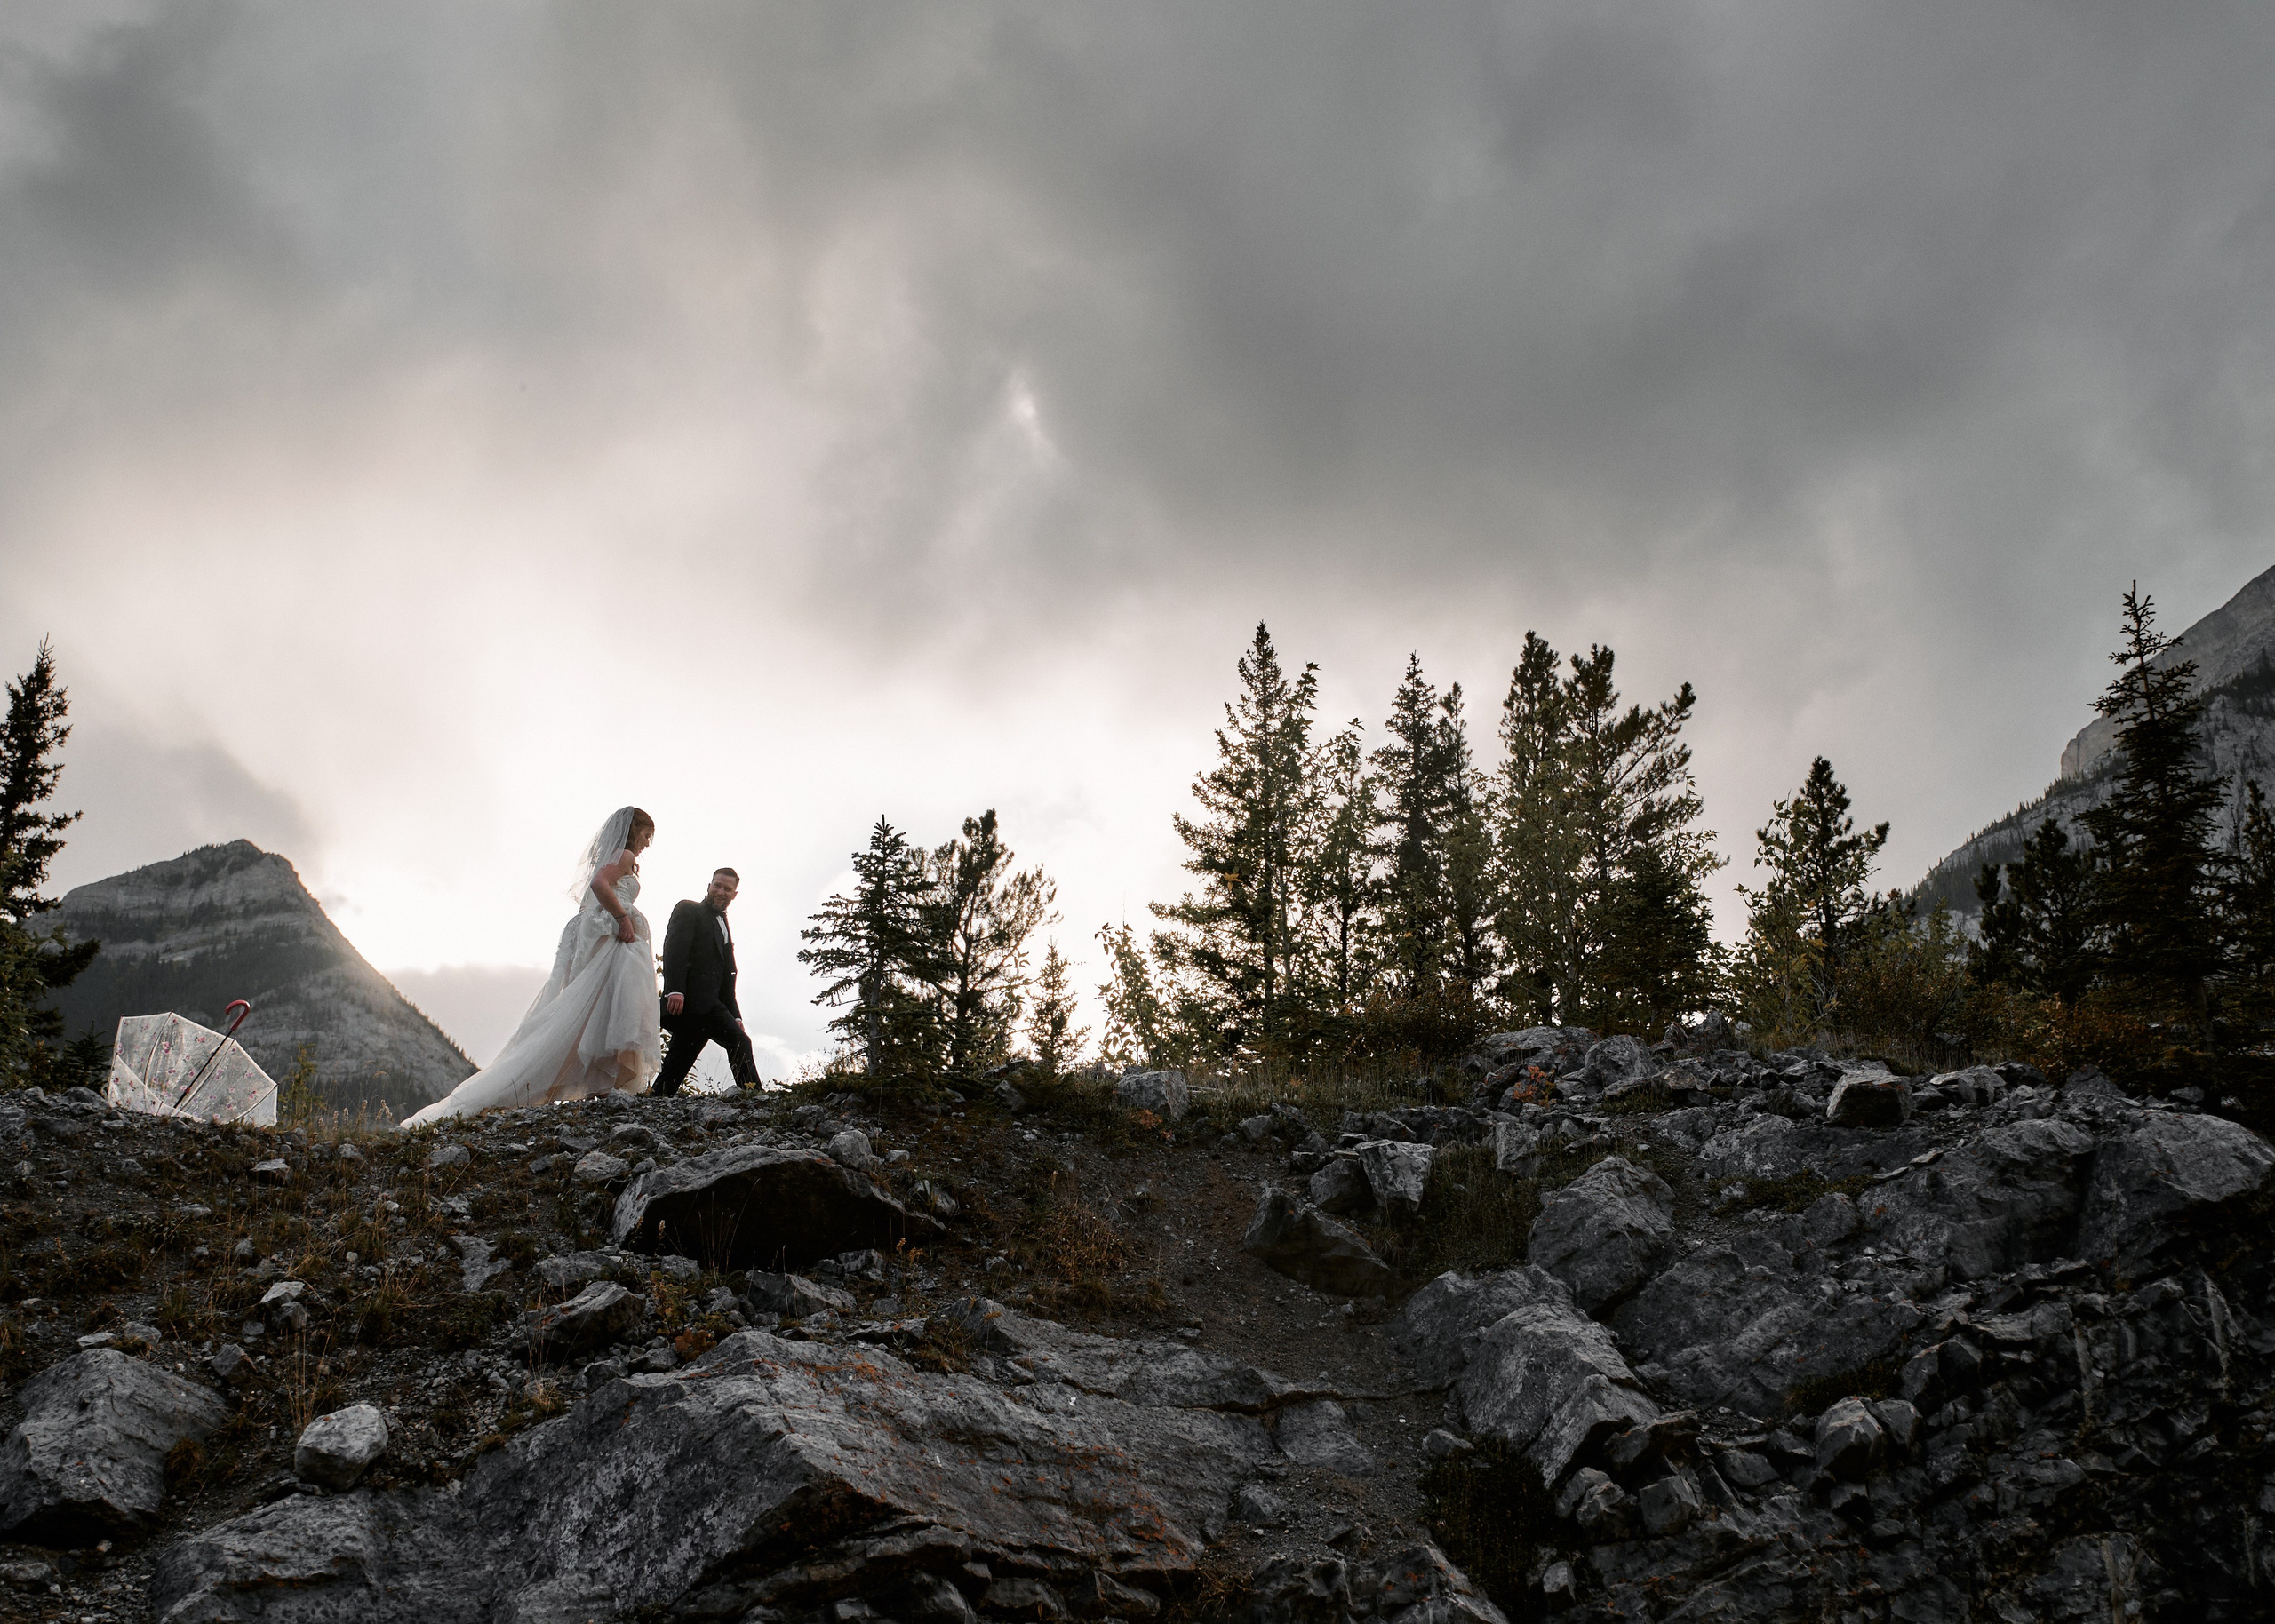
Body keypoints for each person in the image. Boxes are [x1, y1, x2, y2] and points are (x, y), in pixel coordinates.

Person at [403, 808, 664, 1126]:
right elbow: (599, 885)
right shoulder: (622, 855)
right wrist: (623, 919)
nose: (647, 844)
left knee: (595, 1008)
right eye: (646, 835)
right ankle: (603, 1084)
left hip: (600, 933)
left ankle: (602, 1084)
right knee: (611, 1004)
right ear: (634, 831)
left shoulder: (610, 855)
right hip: (612, 935)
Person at [654, 866, 760, 1095]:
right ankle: (754, 1097)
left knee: (675, 1068)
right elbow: (674, 949)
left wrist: (735, 1014)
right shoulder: (688, 909)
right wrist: (674, 990)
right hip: (692, 1002)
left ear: (734, 894)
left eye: (727, 889)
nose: (721, 891)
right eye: (717, 885)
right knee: (740, 1042)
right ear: (709, 886)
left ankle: (654, 1100)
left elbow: (726, 975)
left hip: (706, 1008)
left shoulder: (724, 924)